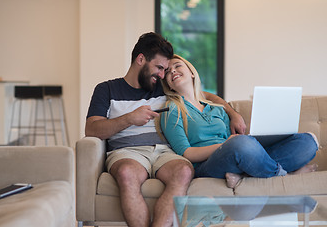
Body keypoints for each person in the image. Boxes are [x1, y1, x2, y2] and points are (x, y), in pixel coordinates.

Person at [85, 33, 246, 227]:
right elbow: (92, 129)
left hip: (166, 152)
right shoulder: (106, 89)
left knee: (184, 171)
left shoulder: (164, 86)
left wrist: (233, 114)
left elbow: (206, 96)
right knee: (127, 173)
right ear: (141, 59)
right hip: (127, 152)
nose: (163, 75)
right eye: (159, 68)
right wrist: (129, 119)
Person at [159, 54, 319, 189]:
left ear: (192, 73)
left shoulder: (217, 108)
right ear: (168, 84)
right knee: (241, 144)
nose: (172, 71)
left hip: (234, 155)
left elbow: (233, 141)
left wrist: (239, 142)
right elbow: (186, 153)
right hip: (207, 165)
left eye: (177, 66)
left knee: (308, 141)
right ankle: (285, 175)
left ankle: (243, 175)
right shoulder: (171, 109)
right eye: (167, 72)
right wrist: (227, 144)